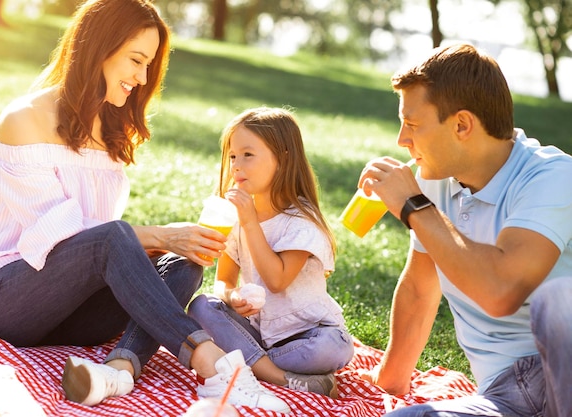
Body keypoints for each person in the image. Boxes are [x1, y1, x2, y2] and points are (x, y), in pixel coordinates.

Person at [0, 0, 291, 412]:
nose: (142, 77)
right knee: (117, 237)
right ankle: (215, 365)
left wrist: (167, 245)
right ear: (99, 48)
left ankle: (118, 371)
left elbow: (96, 253)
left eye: (148, 65)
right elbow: (64, 237)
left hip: (67, 313)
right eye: (136, 60)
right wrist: (157, 236)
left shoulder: (110, 129)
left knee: (184, 263)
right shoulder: (24, 121)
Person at [356, 43, 572, 416]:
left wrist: (414, 206)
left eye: (412, 124)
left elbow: (501, 292)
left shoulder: (553, 176)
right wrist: (388, 388)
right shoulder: (437, 181)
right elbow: (420, 289)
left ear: (461, 125)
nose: (402, 141)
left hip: (558, 372)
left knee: (560, 300)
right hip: (505, 398)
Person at [187, 107, 355, 399]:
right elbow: (224, 281)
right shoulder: (236, 219)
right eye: (232, 156)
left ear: (283, 157)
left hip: (309, 336)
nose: (236, 165)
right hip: (260, 335)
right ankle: (282, 377)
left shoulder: (301, 221)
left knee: (333, 347)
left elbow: (277, 280)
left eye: (248, 155)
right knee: (202, 305)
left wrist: (251, 222)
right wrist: (232, 297)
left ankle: (247, 362)